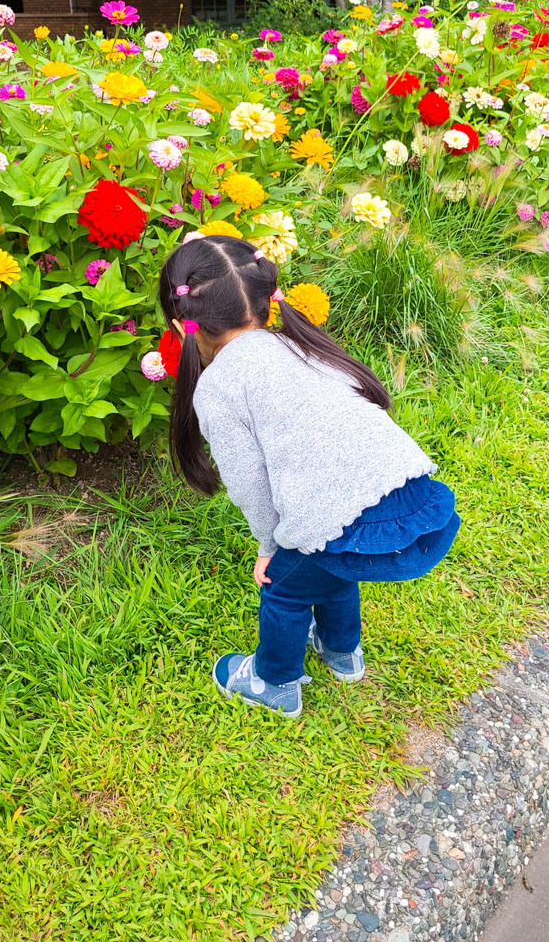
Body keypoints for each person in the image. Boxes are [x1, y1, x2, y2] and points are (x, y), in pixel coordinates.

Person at [158, 234, 460, 719]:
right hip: (408, 489)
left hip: (343, 512)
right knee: (334, 563)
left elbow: (251, 483)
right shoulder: (301, 345)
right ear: (264, 301)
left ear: (181, 325)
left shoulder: (218, 387)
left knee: (284, 586)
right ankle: (342, 654)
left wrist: (268, 547)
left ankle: (274, 681)